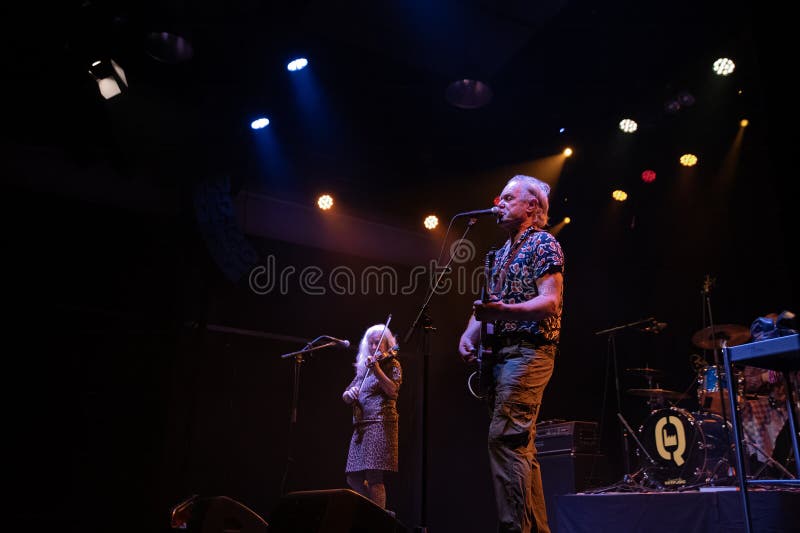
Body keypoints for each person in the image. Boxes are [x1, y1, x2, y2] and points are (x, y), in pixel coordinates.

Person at [458, 174, 565, 533]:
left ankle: (513, 528)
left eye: (506, 198)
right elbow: (488, 305)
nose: (497, 204)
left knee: (504, 439)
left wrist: (503, 312)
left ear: (531, 205)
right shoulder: (498, 254)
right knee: (521, 448)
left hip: (529, 352)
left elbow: (550, 301)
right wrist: (468, 334)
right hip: (500, 358)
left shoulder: (544, 244)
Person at [342, 324, 402, 510]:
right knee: (353, 477)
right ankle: (377, 511)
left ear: (387, 344)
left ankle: (378, 521)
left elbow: (393, 391)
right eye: (371, 343)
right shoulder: (364, 369)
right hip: (361, 429)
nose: (375, 346)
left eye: (379, 342)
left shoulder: (392, 364)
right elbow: (346, 394)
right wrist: (349, 394)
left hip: (380, 425)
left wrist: (376, 369)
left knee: (374, 478)